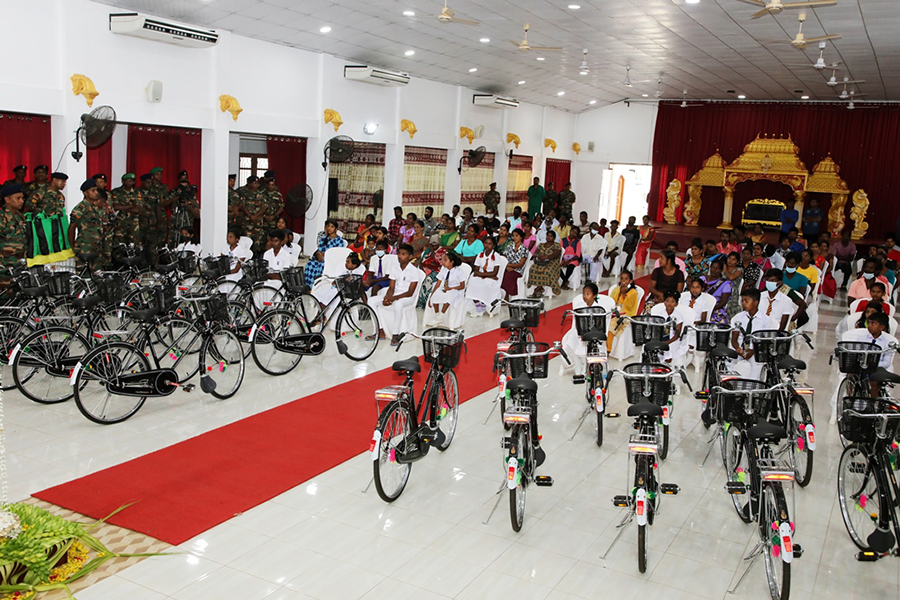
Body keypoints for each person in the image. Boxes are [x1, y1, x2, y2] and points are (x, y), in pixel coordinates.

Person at [560, 282, 616, 377]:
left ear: (594, 295)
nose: (585, 296)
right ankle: (578, 367)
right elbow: (575, 323)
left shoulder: (601, 308)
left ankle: (591, 366)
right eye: (584, 293)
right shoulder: (579, 305)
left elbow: (602, 324)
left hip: (595, 332)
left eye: (588, 294)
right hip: (580, 331)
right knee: (571, 340)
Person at [370, 244, 420, 346]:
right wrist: (387, 297)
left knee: (398, 304)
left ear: (410, 257)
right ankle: (380, 330)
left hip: (408, 298)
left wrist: (393, 298)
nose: (399, 256)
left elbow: (410, 292)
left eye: (403, 254)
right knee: (371, 301)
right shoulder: (395, 268)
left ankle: (395, 335)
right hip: (395, 295)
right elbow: (391, 287)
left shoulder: (414, 271)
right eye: (399, 254)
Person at [729, 288, 775, 380]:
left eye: (746, 301)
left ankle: (753, 385)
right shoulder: (738, 318)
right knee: (729, 362)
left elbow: (765, 341)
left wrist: (753, 351)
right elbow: (734, 338)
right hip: (739, 349)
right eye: (742, 301)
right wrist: (738, 348)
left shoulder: (765, 320)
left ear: (756, 302)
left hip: (756, 350)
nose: (743, 304)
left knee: (757, 364)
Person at [68, 179, 113, 267]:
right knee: (84, 275)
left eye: (96, 190)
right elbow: (72, 228)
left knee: (97, 275)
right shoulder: (80, 208)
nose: (96, 192)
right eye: (93, 190)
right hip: (85, 247)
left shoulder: (96, 207)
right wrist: (72, 247)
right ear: (85, 193)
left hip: (97, 247)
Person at [0, 184, 26, 297]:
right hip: (4, 267)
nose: (22, 201)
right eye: (18, 198)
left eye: (22, 198)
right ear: (7, 199)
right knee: (4, 298)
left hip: (18, 266)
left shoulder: (20, 217)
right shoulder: (2, 218)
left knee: (16, 299)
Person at [608, 270, 640, 356]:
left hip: (627, 314)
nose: (623, 281)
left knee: (612, 325)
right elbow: (611, 301)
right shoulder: (616, 289)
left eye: (626, 279)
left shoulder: (633, 292)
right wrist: (620, 293)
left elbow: (629, 307)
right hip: (614, 312)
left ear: (631, 281)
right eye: (622, 278)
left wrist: (624, 293)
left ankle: (608, 349)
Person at [467, 236, 502, 315]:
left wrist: (483, 275)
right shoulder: (480, 255)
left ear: (493, 246)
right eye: (486, 243)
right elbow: (476, 271)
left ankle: (484, 303)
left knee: (487, 284)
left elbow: (494, 273)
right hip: (484, 276)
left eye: (490, 244)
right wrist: (484, 275)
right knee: (472, 282)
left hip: (490, 277)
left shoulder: (496, 256)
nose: (487, 245)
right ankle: (477, 303)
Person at [650, 290, 686, 365]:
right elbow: (656, 329)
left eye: (672, 302)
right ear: (664, 302)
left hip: (672, 339)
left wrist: (668, 342)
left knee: (669, 352)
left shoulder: (678, 316)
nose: (669, 304)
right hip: (660, 338)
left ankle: (667, 365)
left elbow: (677, 334)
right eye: (667, 301)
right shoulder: (660, 315)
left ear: (676, 304)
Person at [427, 251, 466, 319]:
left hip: (456, 289)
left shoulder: (459, 272)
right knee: (437, 293)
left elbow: (462, 286)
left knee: (451, 295)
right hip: (445, 288)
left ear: (451, 262)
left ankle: (442, 314)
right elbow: (438, 284)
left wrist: (450, 289)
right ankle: (437, 313)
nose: (443, 262)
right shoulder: (444, 270)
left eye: (445, 260)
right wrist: (432, 296)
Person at [110, 172, 142, 246]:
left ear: (134, 182)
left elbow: (137, 209)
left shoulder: (137, 193)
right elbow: (115, 207)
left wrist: (122, 207)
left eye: (131, 180)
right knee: (118, 246)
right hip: (120, 224)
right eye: (127, 180)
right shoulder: (116, 192)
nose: (129, 182)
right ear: (123, 181)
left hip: (133, 225)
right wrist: (130, 206)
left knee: (134, 247)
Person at [528, 229, 562, 297]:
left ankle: (538, 289)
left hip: (552, 263)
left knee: (547, 271)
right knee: (532, 269)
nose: (548, 237)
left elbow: (556, 255)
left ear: (554, 238)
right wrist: (539, 256)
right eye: (547, 235)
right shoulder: (541, 245)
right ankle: (540, 288)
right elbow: (535, 253)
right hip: (540, 262)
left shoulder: (556, 245)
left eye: (550, 236)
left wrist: (546, 257)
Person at [701, 259, 733, 324]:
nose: (714, 270)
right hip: (700, 306)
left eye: (717, 268)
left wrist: (711, 309)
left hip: (716, 308)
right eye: (712, 268)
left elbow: (723, 302)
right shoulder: (702, 279)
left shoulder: (725, 284)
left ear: (721, 270)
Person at [501, 228, 529, 300]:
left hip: (518, 270)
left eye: (517, 236)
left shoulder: (524, 249)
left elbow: (520, 264)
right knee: (500, 274)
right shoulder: (509, 247)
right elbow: (503, 259)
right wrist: (506, 266)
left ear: (521, 237)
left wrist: (508, 265)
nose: (514, 238)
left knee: (508, 275)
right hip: (507, 268)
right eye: (513, 236)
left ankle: (507, 295)